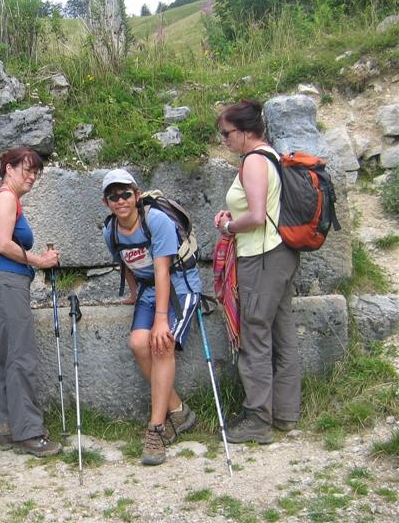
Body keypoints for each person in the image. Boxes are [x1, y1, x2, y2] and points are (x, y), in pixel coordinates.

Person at [213, 100, 300, 444]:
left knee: (254, 337)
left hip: (261, 257)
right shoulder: (271, 156)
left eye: (226, 133)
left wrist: (228, 226)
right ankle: (286, 414)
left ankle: (259, 419)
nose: (224, 140)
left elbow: (257, 215)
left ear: (246, 131)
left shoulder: (253, 160)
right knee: (282, 332)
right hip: (281, 254)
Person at [101, 169, 201, 466]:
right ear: (106, 202)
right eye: (113, 197)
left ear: (136, 195)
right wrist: (134, 294)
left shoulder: (155, 220)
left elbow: (162, 269)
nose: (120, 201)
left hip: (180, 286)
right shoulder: (111, 231)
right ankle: (178, 411)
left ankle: (156, 429)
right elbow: (126, 263)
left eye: (125, 194)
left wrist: (160, 320)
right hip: (148, 290)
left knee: (162, 343)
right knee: (138, 343)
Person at [0, 147, 63, 457]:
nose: (32, 176)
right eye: (27, 169)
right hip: (7, 283)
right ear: (9, 169)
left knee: (2, 358)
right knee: (20, 357)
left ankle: (9, 428)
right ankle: (29, 433)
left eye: (36, 172)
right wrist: (40, 260)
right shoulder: (5, 198)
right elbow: (3, 244)